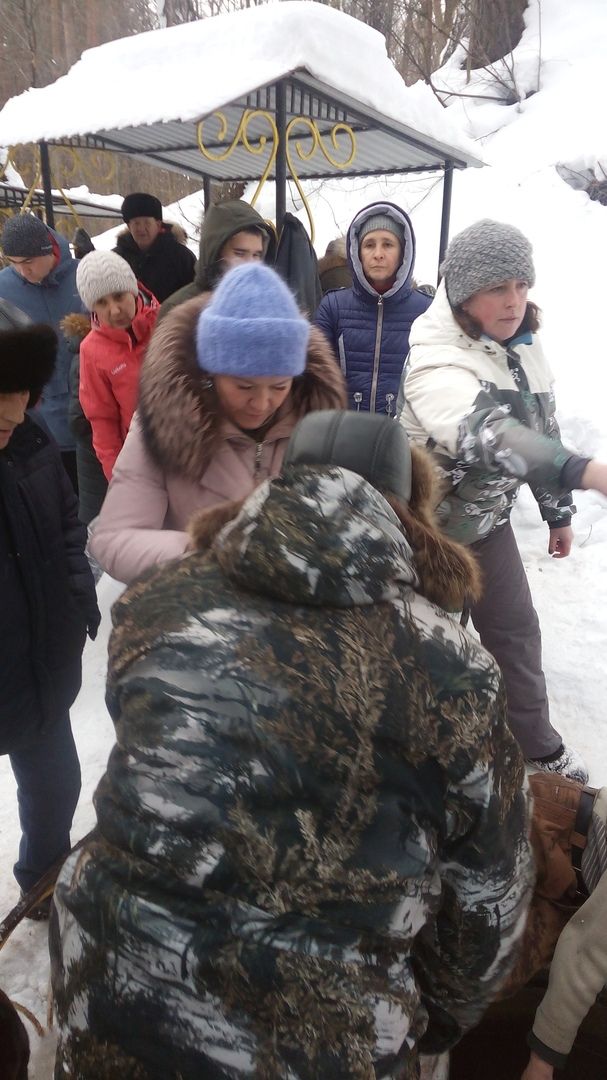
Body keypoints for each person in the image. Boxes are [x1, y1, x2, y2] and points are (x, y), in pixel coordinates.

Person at [50, 409, 533, 1078]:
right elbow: (487, 896)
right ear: (408, 509)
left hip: (106, 992)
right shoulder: (450, 668)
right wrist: (431, 1021)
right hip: (316, 1040)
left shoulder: (158, 600)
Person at [400, 218, 607, 783]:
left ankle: (535, 746)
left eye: (521, 284)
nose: (514, 300)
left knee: (515, 630)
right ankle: (434, 765)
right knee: (434, 652)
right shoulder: (435, 359)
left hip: (487, 523)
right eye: (498, 287)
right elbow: (488, 432)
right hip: (427, 535)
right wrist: (584, 471)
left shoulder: (523, 343)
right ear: (464, 293)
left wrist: (557, 510)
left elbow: (540, 423)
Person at [89, 262, 346, 584]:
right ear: (210, 372)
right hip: (197, 612)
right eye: (244, 386)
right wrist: (211, 551)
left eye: (280, 386)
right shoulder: (159, 425)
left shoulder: (320, 429)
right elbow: (113, 540)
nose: (262, 403)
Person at [0, 299, 99, 917]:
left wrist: (76, 591)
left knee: (57, 787)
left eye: (19, 402)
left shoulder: (33, 444)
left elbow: (67, 525)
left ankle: (41, 880)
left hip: (35, 666)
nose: (10, 419)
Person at [520, 783, 607, 1079]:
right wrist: (542, 1062)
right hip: (548, 835)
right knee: (482, 968)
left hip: (580, 881)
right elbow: (588, 950)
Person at [314, 201, 432, 414]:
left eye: (388, 244)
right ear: (357, 252)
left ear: (403, 252)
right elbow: (314, 381)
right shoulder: (333, 306)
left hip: (403, 438)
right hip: (344, 435)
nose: (378, 254)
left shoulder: (427, 311)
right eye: (369, 245)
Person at [0, 214, 87, 491]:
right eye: (14, 264)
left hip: (89, 416)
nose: (22, 271)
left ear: (47, 250)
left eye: (28, 262)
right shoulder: (3, 288)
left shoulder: (82, 275)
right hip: (36, 426)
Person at [75, 249, 159, 481]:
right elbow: (102, 420)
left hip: (188, 451)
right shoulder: (91, 350)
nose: (114, 310)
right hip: (141, 461)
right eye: (102, 302)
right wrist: (118, 477)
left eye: (119, 295)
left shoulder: (168, 322)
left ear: (133, 290)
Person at [157, 197, 275, 321]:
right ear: (215, 253)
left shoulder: (268, 306)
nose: (250, 264)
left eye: (256, 255)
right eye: (239, 253)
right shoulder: (178, 310)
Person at [113, 192, 196, 303]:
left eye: (147, 223)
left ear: (158, 224)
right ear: (129, 226)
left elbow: (196, 293)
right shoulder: (116, 258)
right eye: (136, 223)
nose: (141, 228)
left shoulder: (181, 256)